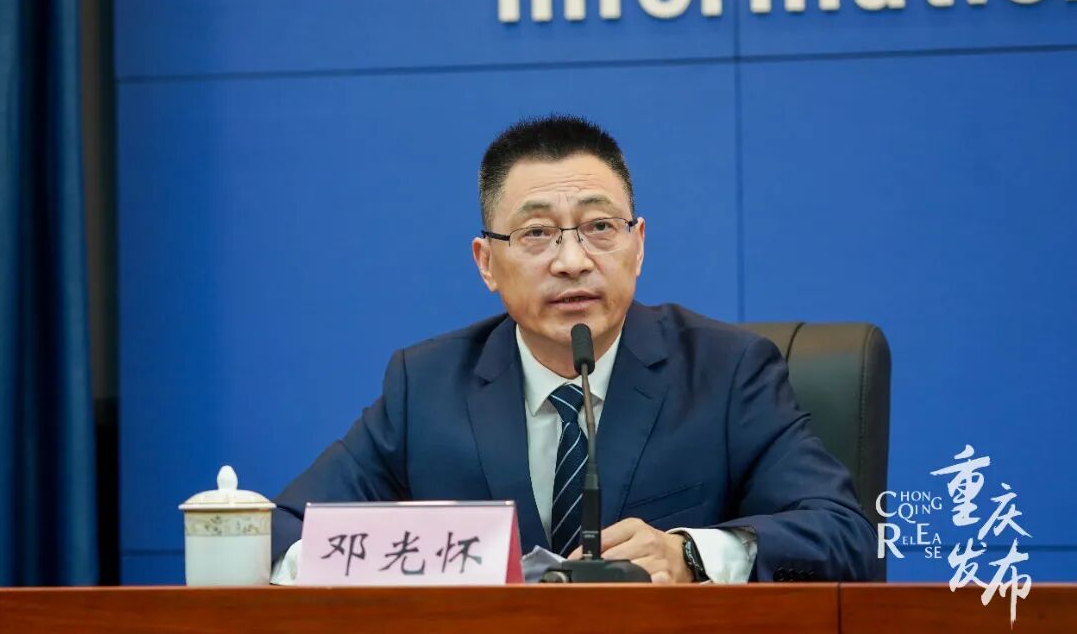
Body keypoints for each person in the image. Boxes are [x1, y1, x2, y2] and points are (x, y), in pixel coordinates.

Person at [271, 115, 879, 584]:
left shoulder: (727, 372)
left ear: (637, 246)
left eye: (599, 227)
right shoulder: (426, 386)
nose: (572, 261)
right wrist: (408, 561)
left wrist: (689, 554)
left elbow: (844, 534)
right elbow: (282, 532)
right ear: (487, 262)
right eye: (536, 233)